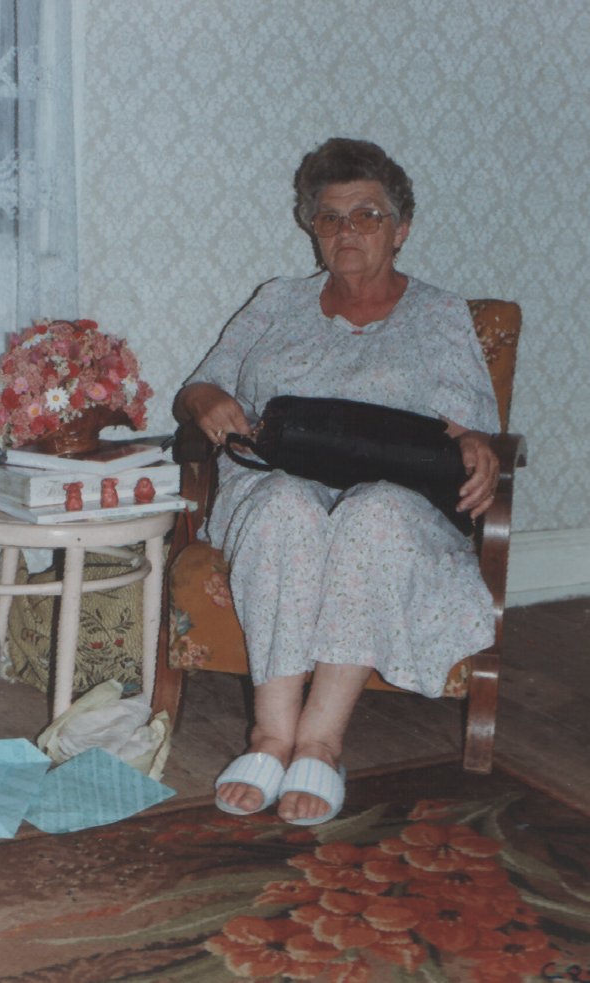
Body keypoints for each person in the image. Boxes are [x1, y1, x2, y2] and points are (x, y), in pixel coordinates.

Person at [173, 137, 500, 826]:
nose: (347, 230)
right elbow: (203, 382)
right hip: (275, 481)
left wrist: (475, 441)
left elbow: (473, 427)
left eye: (367, 215)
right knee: (288, 505)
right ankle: (271, 735)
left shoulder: (440, 314)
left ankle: (320, 742)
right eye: (330, 217)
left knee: (371, 513)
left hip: (398, 499)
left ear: (400, 230)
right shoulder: (277, 301)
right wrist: (205, 399)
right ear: (313, 230)